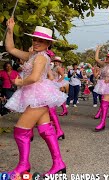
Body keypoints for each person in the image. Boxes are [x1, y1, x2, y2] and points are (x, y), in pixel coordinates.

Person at [5, 19, 67, 174]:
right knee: (46, 130)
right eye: (35, 39)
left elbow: (33, 78)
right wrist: (10, 30)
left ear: (48, 44)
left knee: (20, 130)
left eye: (41, 40)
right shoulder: (33, 55)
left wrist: (20, 82)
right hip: (38, 94)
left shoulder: (40, 57)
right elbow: (11, 48)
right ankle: (58, 164)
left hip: (38, 94)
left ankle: (23, 166)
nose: (37, 42)